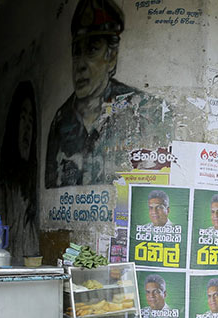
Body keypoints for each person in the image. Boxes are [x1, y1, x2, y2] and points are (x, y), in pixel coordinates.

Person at [44, 0, 172, 188]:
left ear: (112, 57)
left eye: (92, 50)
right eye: (76, 52)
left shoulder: (146, 110)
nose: (80, 65)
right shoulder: (61, 121)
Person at [0, 81, 39, 258]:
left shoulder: (32, 186)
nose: (27, 128)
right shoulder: (3, 188)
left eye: (31, 120)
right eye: (23, 118)